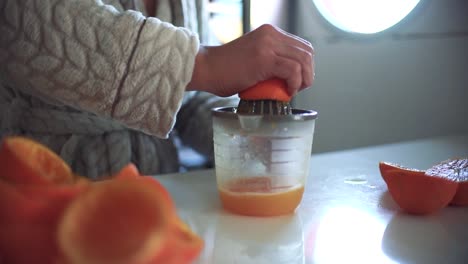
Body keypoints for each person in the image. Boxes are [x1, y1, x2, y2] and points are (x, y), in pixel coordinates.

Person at [0, 0, 315, 179]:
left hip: (160, 194)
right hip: (43, 195)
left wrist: (249, 142)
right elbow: (29, 20)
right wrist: (206, 63)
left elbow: (189, 97)